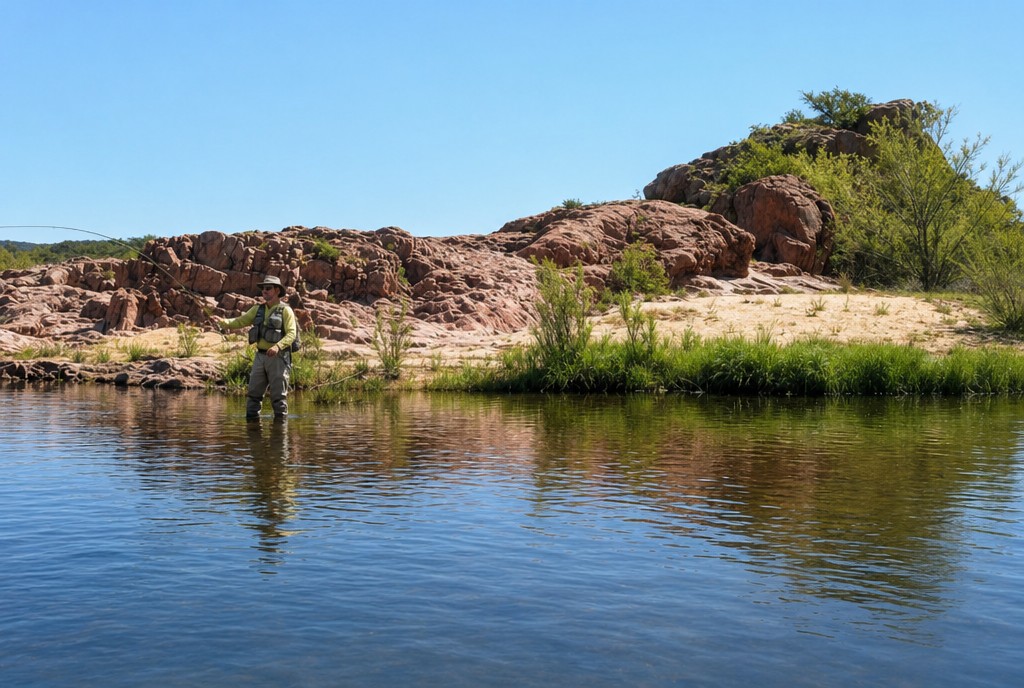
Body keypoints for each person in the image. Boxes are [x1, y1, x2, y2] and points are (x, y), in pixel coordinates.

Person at [217, 275, 298, 420]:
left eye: (268, 288)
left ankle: (280, 435)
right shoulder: (257, 309)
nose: (264, 291)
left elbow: (292, 334)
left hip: (279, 358)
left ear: (277, 291)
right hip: (260, 357)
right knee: (253, 395)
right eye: (263, 289)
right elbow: (240, 321)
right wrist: (222, 322)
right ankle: (253, 436)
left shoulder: (286, 311)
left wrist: (278, 347)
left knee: (278, 398)